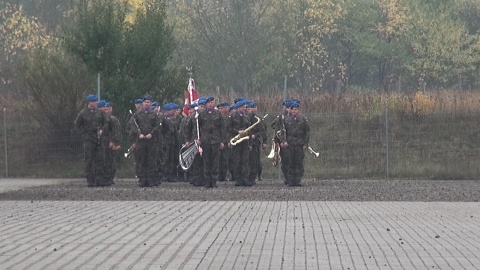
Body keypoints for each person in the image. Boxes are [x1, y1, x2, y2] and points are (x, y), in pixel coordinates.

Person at [74, 94, 108, 187]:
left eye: (97, 101)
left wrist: (102, 130)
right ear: (90, 102)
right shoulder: (83, 113)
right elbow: (77, 125)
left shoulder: (99, 112)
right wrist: (84, 135)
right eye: (94, 101)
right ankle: (90, 179)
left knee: (99, 159)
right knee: (89, 159)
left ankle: (99, 179)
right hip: (89, 139)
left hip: (98, 138)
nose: (96, 103)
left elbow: (106, 122)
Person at [128, 95, 161, 187]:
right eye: (145, 102)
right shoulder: (137, 114)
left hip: (151, 140)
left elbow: (157, 126)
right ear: (143, 103)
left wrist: (152, 133)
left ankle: (150, 179)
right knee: (141, 160)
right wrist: (139, 134)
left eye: (148, 102)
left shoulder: (154, 114)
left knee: (151, 160)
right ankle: (142, 179)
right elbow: (133, 126)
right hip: (141, 141)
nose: (147, 104)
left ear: (150, 103)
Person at [195, 96, 226, 188]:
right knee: (206, 161)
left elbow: (222, 128)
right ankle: (207, 180)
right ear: (206, 104)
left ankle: (214, 180)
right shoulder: (202, 114)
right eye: (208, 103)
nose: (210, 104)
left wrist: (222, 141)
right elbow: (197, 128)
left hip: (216, 140)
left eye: (212, 102)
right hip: (205, 140)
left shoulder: (218, 114)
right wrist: (198, 138)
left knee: (215, 161)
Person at [279, 100, 310, 186]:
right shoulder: (286, 119)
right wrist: (283, 141)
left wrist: (306, 143)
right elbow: (283, 131)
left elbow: (307, 131)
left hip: (299, 144)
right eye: (292, 109)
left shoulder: (303, 119)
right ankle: (291, 180)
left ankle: (297, 180)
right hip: (290, 144)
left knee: (298, 163)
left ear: (298, 110)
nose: (294, 111)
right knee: (290, 162)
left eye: (296, 109)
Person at [227, 99, 253, 186]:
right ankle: (238, 178)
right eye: (243, 107)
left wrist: (250, 142)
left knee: (245, 160)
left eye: (245, 107)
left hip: (245, 141)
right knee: (237, 160)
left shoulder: (246, 117)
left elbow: (249, 130)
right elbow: (228, 128)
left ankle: (244, 178)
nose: (244, 108)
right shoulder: (232, 116)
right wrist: (237, 131)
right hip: (236, 141)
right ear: (238, 108)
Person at [246, 101, 267, 185]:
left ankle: (253, 177)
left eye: (250, 109)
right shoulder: (244, 118)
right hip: (245, 142)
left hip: (254, 143)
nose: (249, 111)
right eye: (247, 109)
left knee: (254, 161)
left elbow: (263, 130)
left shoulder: (257, 119)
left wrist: (255, 136)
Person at [216, 101, 230, 181]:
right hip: (217, 141)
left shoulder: (229, 118)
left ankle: (223, 175)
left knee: (225, 160)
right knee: (217, 160)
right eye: (219, 108)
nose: (221, 110)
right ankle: (217, 175)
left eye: (222, 108)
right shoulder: (216, 118)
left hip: (226, 141)